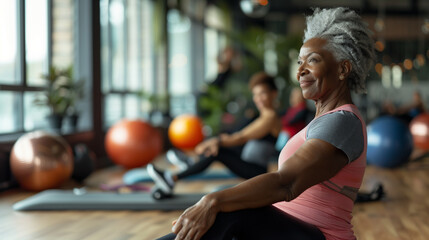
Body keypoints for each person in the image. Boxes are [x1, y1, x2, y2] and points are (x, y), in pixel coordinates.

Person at [155, 7, 375, 240]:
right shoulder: (323, 121)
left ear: (343, 69)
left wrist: (212, 201)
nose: (300, 71)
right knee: (225, 212)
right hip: (286, 229)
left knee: (229, 209)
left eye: (313, 60)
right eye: (300, 62)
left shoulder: (343, 122)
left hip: (321, 236)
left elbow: (287, 184)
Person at [148, 72, 282, 196]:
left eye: (262, 93)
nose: (258, 98)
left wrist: (214, 142)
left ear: (274, 93)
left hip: (256, 171)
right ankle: (190, 163)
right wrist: (217, 141)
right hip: (248, 162)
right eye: (255, 94)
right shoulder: (263, 116)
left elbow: (242, 137)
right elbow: (239, 135)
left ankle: (172, 177)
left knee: (217, 150)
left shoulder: (270, 118)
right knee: (218, 145)